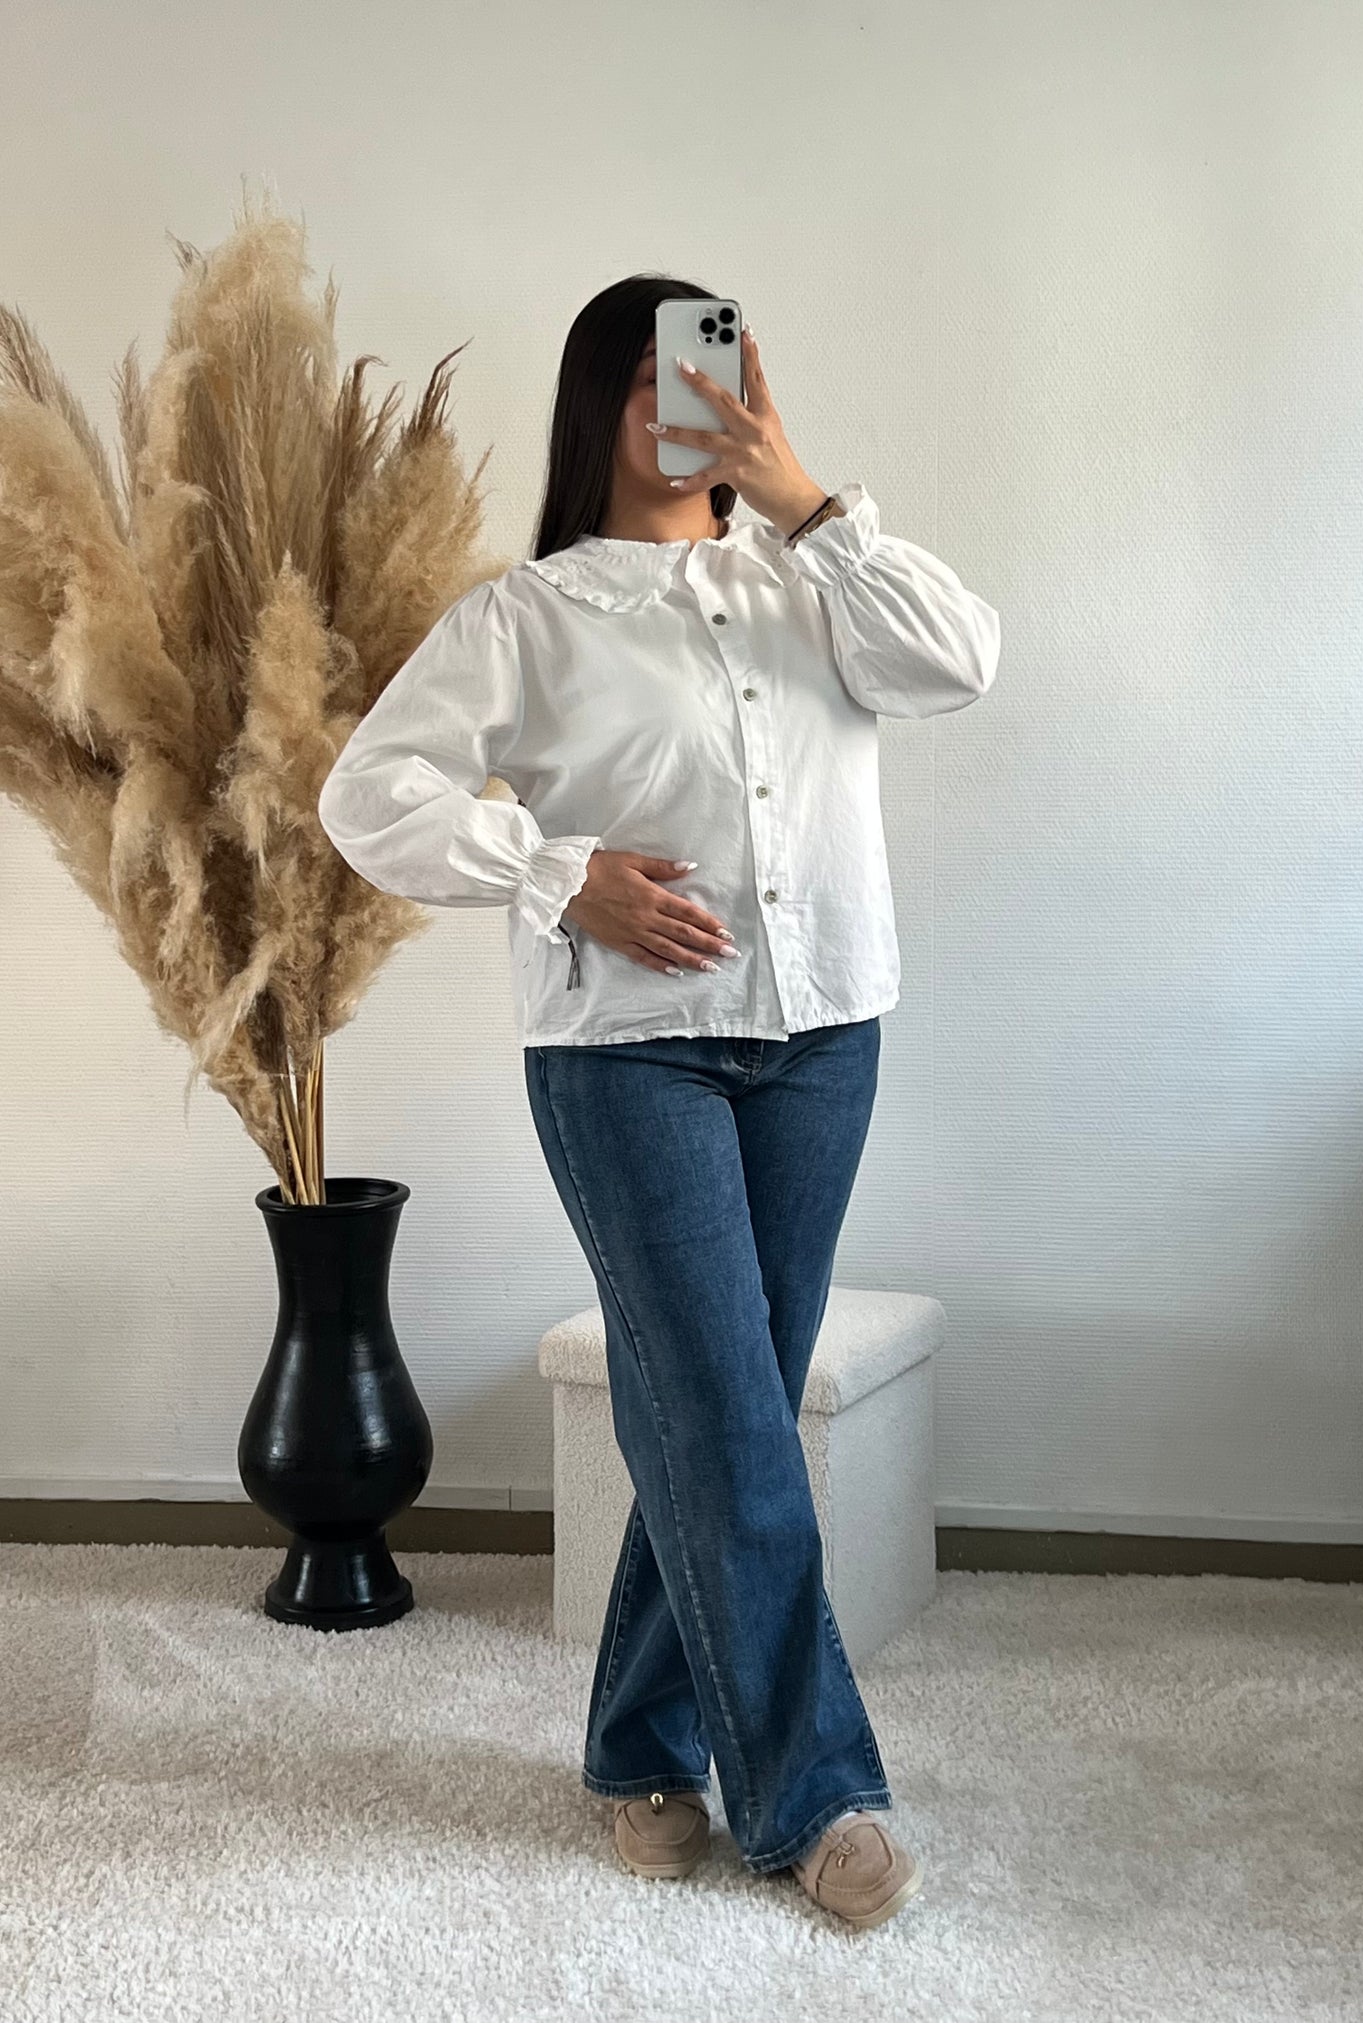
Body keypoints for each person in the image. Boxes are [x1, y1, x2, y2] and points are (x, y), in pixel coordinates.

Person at [316, 273, 1000, 1930]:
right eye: (649, 377)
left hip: (823, 1034)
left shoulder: (819, 583)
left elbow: (960, 661)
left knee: (720, 1414)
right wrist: (557, 872)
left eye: (716, 370)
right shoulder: (527, 615)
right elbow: (367, 794)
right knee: (725, 1421)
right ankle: (813, 1796)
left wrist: (802, 496)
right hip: (629, 1053)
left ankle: (636, 1747)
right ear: (593, 406)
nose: (688, 400)